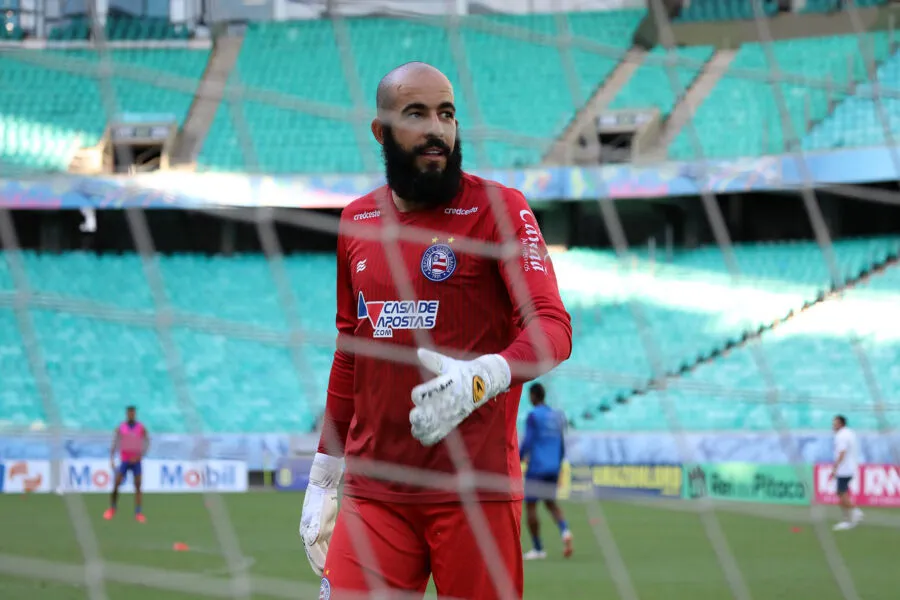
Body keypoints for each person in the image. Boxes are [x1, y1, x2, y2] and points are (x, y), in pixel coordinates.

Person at [298, 61, 573, 600]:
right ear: (380, 131)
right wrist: (325, 472)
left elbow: (553, 327)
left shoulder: (499, 210)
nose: (436, 129)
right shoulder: (356, 221)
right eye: (416, 113)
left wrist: (487, 375)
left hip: (475, 496)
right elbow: (350, 351)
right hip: (374, 495)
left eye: (446, 114)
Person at [519, 383, 573, 560]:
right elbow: (562, 444)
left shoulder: (534, 415)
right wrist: (558, 463)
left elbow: (528, 441)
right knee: (551, 503)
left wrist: (518, 457)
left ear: (534, 396)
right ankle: (565, 530)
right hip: (553, 467)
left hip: (537, 467)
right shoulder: (557, 416)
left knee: (531, 506)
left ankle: (538, 548)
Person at [104, 405, 149, 522]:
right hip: (124, 460)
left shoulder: (141, 427)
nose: (131, 415)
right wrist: (112, 458)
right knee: (116, 484)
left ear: (135, 414)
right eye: (129, 413)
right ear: (127, 414)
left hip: (136, 461)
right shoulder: (121, 427)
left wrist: (141, 455)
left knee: (138, 486)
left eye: (133, 413)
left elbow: (147, 441)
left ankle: (138, 512)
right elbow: (115, 441)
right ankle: (112, 508)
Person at [830, 414, 863, 531]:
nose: (833, 425)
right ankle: (847, 518)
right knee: (841, 492)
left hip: (844, 469)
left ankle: (853, 513)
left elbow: (842, 452)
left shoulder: (841, 436)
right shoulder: (850, 433)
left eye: (834, 423)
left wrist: (835, 468)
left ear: (840, 424)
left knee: (841, 492)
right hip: (851, 467)